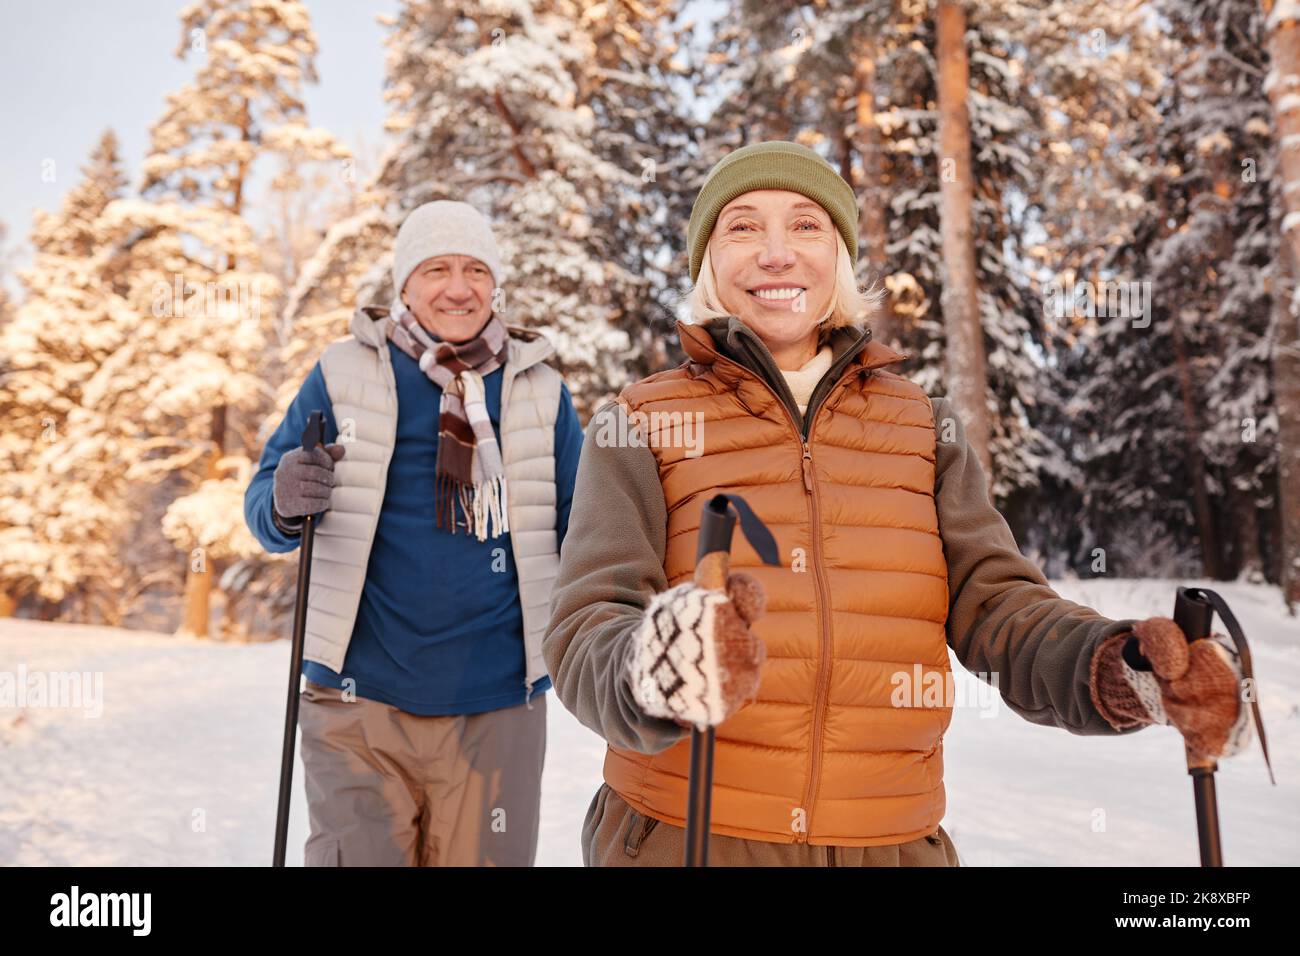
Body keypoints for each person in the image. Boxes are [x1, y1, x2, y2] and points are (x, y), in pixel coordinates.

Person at [543, 141, 1252, 867]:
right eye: (744, 226)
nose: (777, 254)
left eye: (808, 225)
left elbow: (1000, 610)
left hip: (890, 845)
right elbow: (586, 623)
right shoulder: (640, 419)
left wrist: (1120, 666)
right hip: (686, 837)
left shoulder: (923, 427)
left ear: (842, 257)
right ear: (708, 261)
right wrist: (653, 669)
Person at [245, 200, 584, 866]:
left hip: (498, 707)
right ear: (404, 285)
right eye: (437, 269)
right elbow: (266, 509)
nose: (459, 287)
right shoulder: (343, 373)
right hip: (355, 701)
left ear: (495, 285)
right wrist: (287, 498)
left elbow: (585, 535)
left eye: (475, 270)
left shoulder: (540, 391)